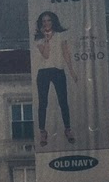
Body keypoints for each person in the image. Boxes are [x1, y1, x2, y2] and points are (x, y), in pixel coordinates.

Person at [33, 10, 78, 147]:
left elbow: (66, 53)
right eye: (44, 21)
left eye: (49, 20)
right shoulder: (38, 38)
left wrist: (72, 71)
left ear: (53, 21)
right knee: (43, 102)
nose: (46, 23)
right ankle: (42, 131)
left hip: (58, 70)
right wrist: (46, 39)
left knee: (63, 101)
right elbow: (46, 55)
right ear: (41, 23)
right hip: (43, 72)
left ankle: (68, 129)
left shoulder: (60, 36)